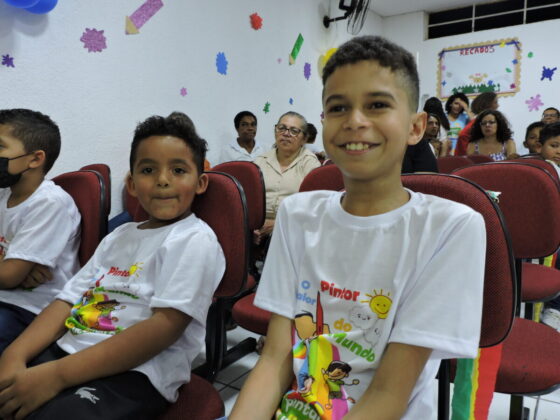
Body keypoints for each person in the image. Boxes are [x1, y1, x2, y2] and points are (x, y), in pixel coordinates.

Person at [229, 35, 485, 420]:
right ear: (324, 124)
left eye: (377, 105)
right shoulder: (298, 214)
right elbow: (274, 362)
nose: (355, 121)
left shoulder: (452, 228)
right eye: (338, 107)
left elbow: (388, 393)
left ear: (416, 127)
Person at [0, 112, 225, 419]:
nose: (162, 179)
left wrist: (57, 376)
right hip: (67, 350)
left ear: (200, 183)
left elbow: (164, 328)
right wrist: (14, 355)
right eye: (148, 169)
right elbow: (66, 301)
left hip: (135, 374)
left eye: (178, 170)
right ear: (131, 184)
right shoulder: (119, 235)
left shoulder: (195, 239)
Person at [0, 109, 80, 354]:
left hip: (30, 309)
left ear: (35, 159)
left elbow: (8, 278)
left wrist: (11, 270)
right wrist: (10, 267)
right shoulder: (4, 193)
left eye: (0, 147)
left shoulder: (50, 202)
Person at [253, 111, 320, 244]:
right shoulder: (260, 161)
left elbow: (313, 208)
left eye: (294, 131)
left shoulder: (310, 163)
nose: (286, 133)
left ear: (304, 139)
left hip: (294, 226)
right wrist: (252, 227)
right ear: (275, 131)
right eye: (282, 128)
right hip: (258, 225)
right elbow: (249, 201)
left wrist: (278, 223)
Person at [454, 92, 499, 156]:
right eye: (495, 102)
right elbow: (463, 136)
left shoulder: (478, 121)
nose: (498, 106)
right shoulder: (473, 125)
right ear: (488, 105)